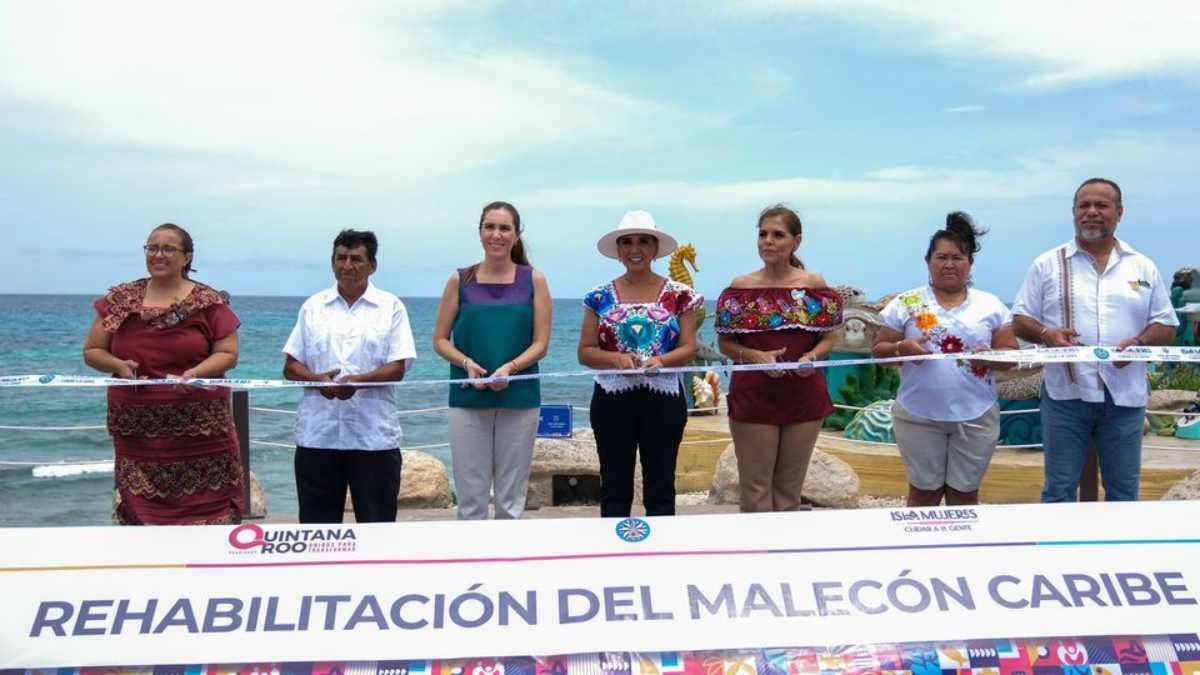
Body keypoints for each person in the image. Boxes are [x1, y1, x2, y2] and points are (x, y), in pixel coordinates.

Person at [1012, 178, 1178, 502]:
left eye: (1101, 205)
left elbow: (1166, 323)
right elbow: (1019, 319)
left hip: (1125, 398)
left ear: (1119, 212)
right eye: (1083, 205)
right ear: (1073, 212)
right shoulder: (1047, 264)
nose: (1091, 212)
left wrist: (1140, 342)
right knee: (1059, 490)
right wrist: (1046, 334)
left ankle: (1119, 554)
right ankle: (1060, 553)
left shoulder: (1142, 266)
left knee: (1124, 492)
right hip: (1065, 397)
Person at [83, 223, 244, 525]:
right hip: (138, 436)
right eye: (152, 247)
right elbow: (92, 351)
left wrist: (195, 373)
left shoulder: (209, 302)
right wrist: (117, 365)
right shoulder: (121, 300)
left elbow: (228, 354)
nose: (158, 254)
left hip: (202, 431)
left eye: (168, 248)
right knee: (143, 519)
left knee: (211, 514)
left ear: (187, 257)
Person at [873, 212, 1018, 507]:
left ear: (970, 263)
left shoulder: (991, 305)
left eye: (957, 257)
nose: (949, 264)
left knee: (964, 496)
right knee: (923, 493)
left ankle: (962, 553)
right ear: (928, 262)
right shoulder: (906, 303)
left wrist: (993, 357)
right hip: (918, 414)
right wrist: (902, 347)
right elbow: (878, 352)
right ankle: (916, 552)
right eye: (941, 257)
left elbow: (1012, 356)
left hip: (976, 413)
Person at [714, 205, 843, 512]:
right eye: (763, 234)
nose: (768, 241)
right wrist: (757, 356)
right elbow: (725, 343)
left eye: (777, 235)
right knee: (756, 492)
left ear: (796, 241)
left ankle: (787, 557)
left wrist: (812, 357)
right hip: (754, 396)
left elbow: (829, 337)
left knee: (789, 494)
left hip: (804, 396)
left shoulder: (814, 286)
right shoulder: (740, 288)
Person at [282, 229, 417, 523]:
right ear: (332, 263)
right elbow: (291, 366)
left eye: (356, 259)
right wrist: (319, 381)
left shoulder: (391, 307)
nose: (347, 266)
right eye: (341, 258)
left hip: (373, 439)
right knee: (317, 534)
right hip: (318, 437)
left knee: (378, 529)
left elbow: (398, 366)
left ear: (372, 266)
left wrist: (358, 381)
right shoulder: (312, 307)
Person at [578, 210, 702, 517]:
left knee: (661, 485)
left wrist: (661, 360)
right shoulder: (598, 297)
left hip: (664, 400)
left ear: (655, 248)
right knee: (614, 486)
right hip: (611, 400)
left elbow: (689, 347)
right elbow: (585, 352)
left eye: (644, 241)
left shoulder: (680, 296)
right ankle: (615, 555)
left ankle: (660, 555)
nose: (635, 249)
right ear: (618, 251)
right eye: (627, 242)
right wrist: (616, 359)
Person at [432, 201, 552, 520]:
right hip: (467, 396)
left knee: (511, 497)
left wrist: (511, 368)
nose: (496, 234)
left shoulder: (534, 280)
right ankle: (473, 565)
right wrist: (466, 363)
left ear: (516, 234)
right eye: (490, 227)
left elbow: (541, 344)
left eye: (504, 228)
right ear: (480, 231)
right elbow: (440, 340)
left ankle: (507, 563)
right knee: (470, 495)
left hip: (520, 396)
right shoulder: (460, 280)